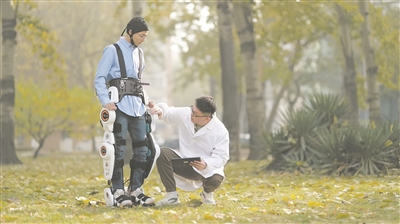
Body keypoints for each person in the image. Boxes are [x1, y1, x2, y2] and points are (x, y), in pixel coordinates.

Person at [94, 17, 155, 208]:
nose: (143, 39)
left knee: (142, 149)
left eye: (145, 36)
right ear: (130, 32)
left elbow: (136, 81)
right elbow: (99, 78)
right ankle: (118, 190)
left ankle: (136, 189)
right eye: (141, 35)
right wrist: (106, 101)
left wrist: (147, 100)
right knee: (118, 149)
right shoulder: (112, 50)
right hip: (119, 106)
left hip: (138, 107)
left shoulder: (141, 54)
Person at [149, 96, 229, 206]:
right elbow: (169, 113)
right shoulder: (187, 113)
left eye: (195, 115)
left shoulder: (220, 130)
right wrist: (160, 109)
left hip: (205, 168)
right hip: (184, 162)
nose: (191, 115)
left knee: (216, 179)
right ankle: (171, 196)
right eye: (193, 110)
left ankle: (207, 194)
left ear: (207, 118)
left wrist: (206, 164)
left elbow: (222, 156)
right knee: (162, 153)